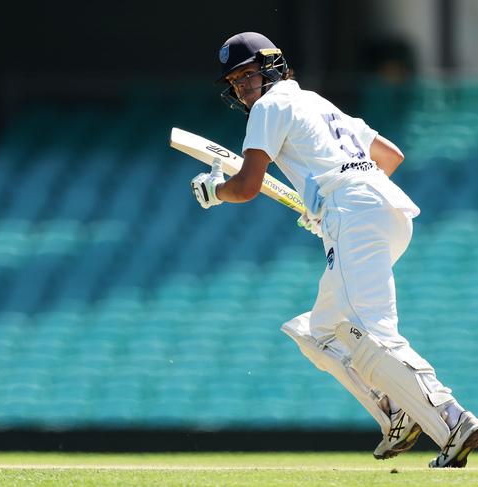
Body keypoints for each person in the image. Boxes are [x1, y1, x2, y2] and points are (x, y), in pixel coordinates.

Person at [190, 32, 478, 468]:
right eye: (234, 81)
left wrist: (215, 191)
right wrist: (326, 202)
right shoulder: (317, 103)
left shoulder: (270, 106)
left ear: (272, 68)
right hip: (386, 208)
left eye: (247, 75)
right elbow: (391, 155)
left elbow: (246, 187)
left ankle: (451, 419)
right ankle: (397, 409)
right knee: (320, 330)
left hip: (354, 212)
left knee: (373, 332)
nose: (242, 88)